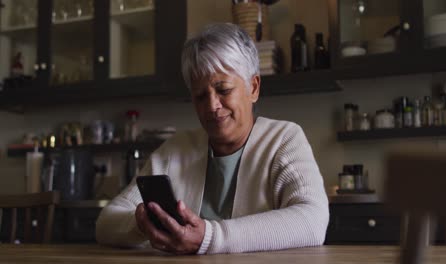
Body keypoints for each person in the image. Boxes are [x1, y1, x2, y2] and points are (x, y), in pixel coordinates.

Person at [96, 23, 329, 255]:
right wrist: (141, 224)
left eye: (224, 90)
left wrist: (209, 238)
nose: (212, 106)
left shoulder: (284, 140)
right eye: (199, 96)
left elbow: (313, 220)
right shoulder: (174, 151)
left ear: (254, 88)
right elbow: (106, 222)